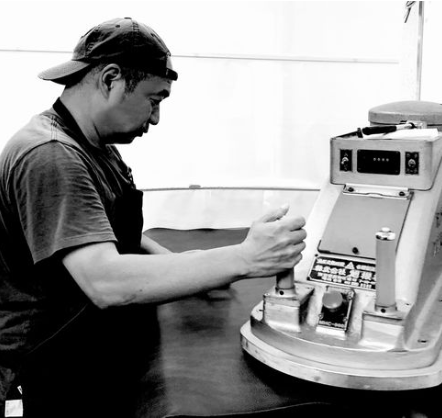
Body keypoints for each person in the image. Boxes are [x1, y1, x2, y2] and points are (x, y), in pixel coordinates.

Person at [0, 17, 306, 417]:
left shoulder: (93, 146)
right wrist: (245, 258)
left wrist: (193, 267)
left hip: (76, 339)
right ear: (110, 79)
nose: (156, 117)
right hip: (47, 354)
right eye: (154, 99)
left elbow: (106, 229)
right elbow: (104, 281)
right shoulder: (51, 154)